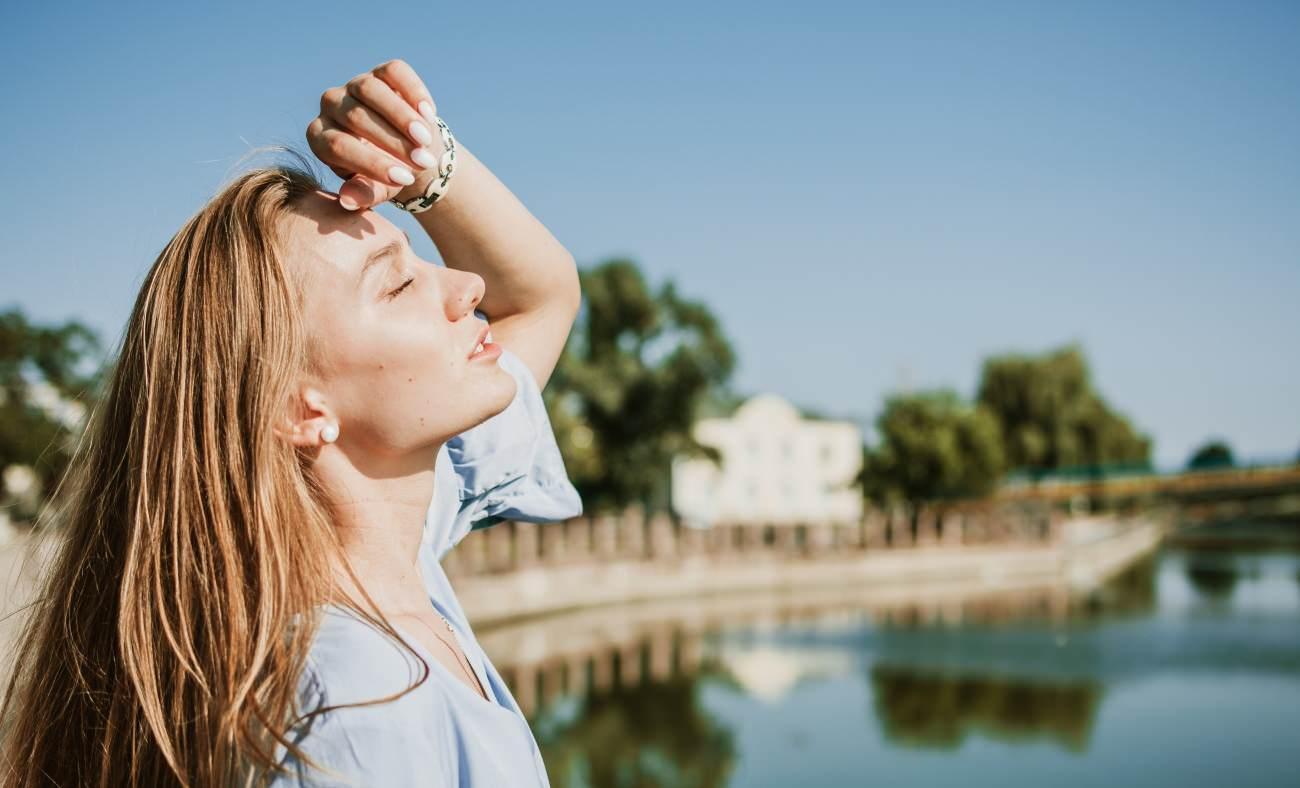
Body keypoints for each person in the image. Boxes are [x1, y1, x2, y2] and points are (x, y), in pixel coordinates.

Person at [0, 59, 582, 786]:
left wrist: (424, 163)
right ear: (301, 410)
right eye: (399, 282)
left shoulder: (395, 556)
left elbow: (541, 297)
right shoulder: (358, 707)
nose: (466, 287)